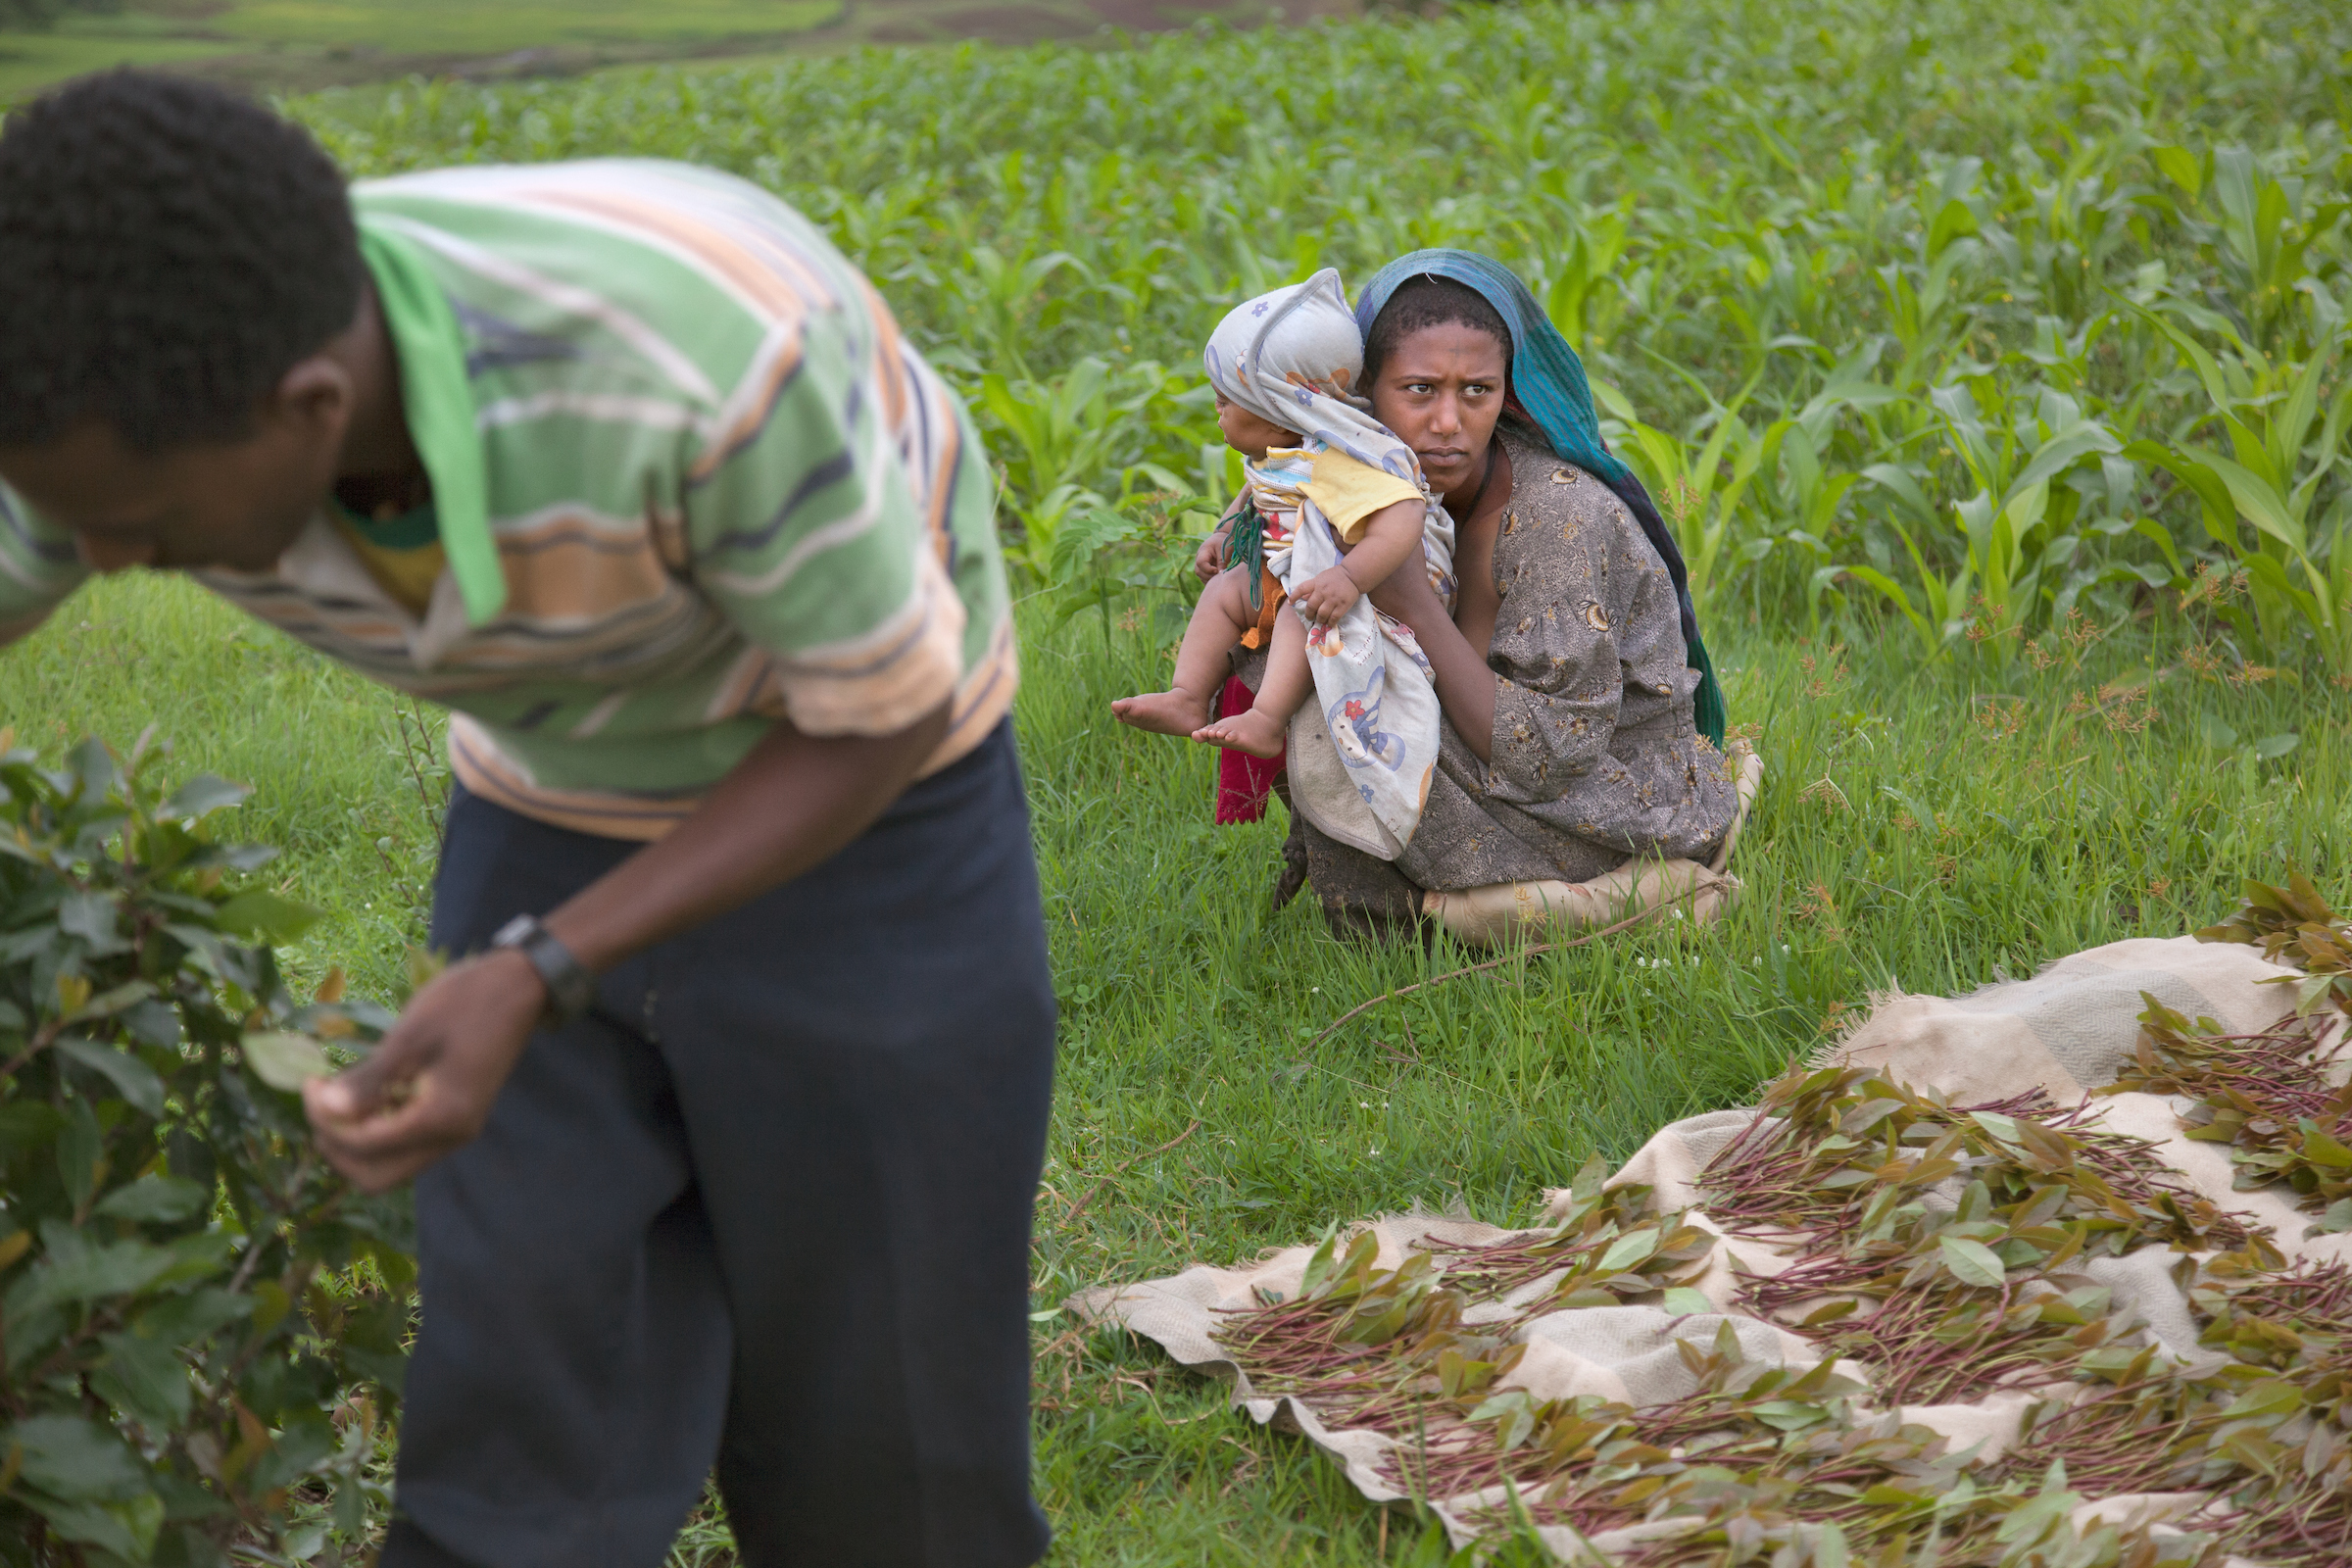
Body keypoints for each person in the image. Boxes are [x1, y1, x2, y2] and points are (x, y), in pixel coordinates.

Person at [0, 73, 1053, 1568]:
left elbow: (874, 713)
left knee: (882, 1445)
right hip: (550, 798)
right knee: (522, 1414)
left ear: (307, 412)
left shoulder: (701, 360)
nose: (99, 555)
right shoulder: (104, 413)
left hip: (874, 802)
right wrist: (542, 966)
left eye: (141, 528)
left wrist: (540, 969)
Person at [1225, 251, 1744, 939]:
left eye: (1477, 391)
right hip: (1501, 756)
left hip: (1607, 794)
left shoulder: (1559, 522)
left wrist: (1408, 600)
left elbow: (1546, 758)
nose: (1448, 421)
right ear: (1361, 395)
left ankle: (1442, 911)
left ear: (1509, 392)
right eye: (1418, 390)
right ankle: (1418, 905)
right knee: (1275, 633)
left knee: (1325, 681)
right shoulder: (1361, 481)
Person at [1111, 270, 1446, 763]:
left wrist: (1348, 577)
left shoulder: (1336, 460)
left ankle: (1266, 720)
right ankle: (1187, 697)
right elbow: (1258, 488)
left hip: (1363, 587)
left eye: (1227, 402)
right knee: (1224, 591)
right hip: (1296, 574)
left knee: (1298, 612)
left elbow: (1403, 513)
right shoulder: (1284, 452)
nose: (1217, 413)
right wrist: (1225, 532)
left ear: (1279, 410)